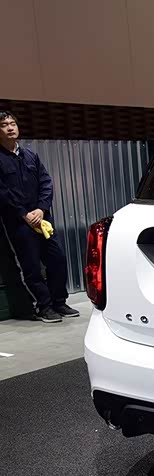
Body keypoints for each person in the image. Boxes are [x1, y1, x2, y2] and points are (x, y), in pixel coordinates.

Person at [0, 111, 78, 323]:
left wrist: (42, 209)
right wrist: (23, 213)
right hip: (19, 223)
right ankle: (44, 306)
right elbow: (3, 193)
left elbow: (46, 183)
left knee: (57, 259)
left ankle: (59, 302)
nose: (10, 127)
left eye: (13, 123)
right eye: (4, 125)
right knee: (31, 266)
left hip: (42, 219)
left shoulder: (30, 156)